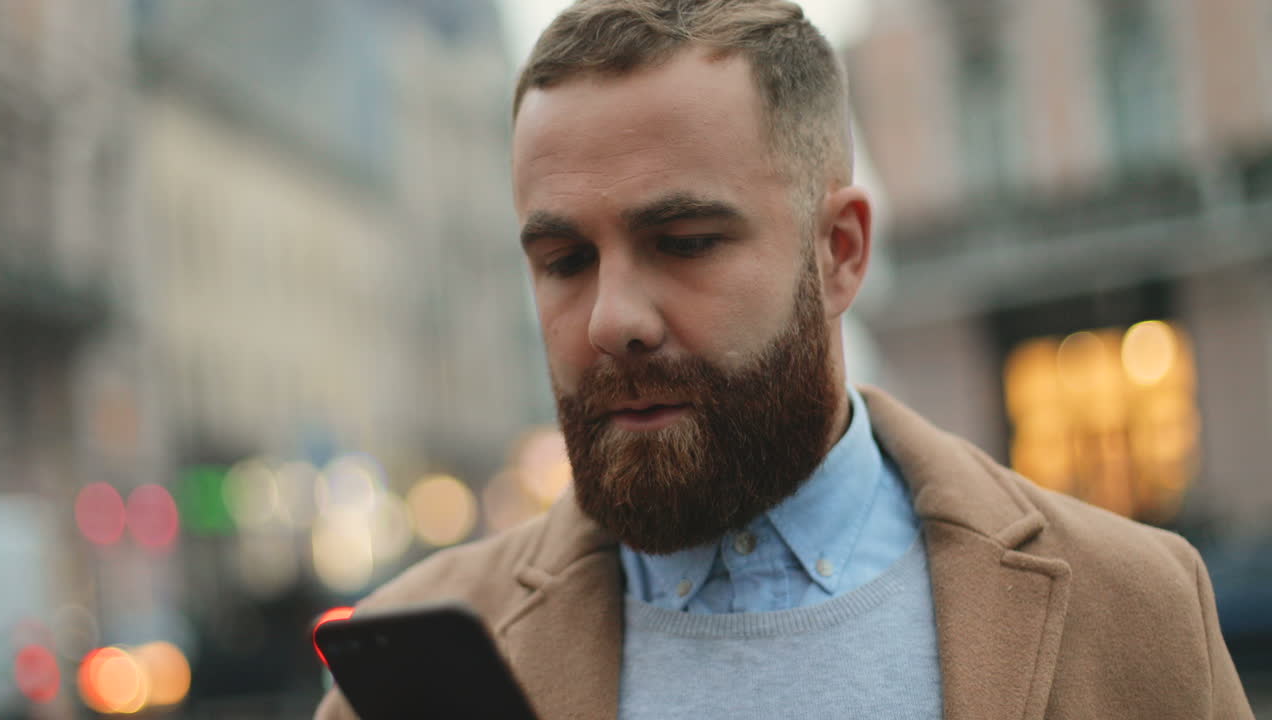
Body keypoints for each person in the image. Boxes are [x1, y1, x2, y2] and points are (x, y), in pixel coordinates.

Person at [316, 1, 1253, 717]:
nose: (611, 320)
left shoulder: (1136, 607)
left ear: (839, 251)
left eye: (684, 241)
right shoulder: (408, 663)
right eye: (564, 260)